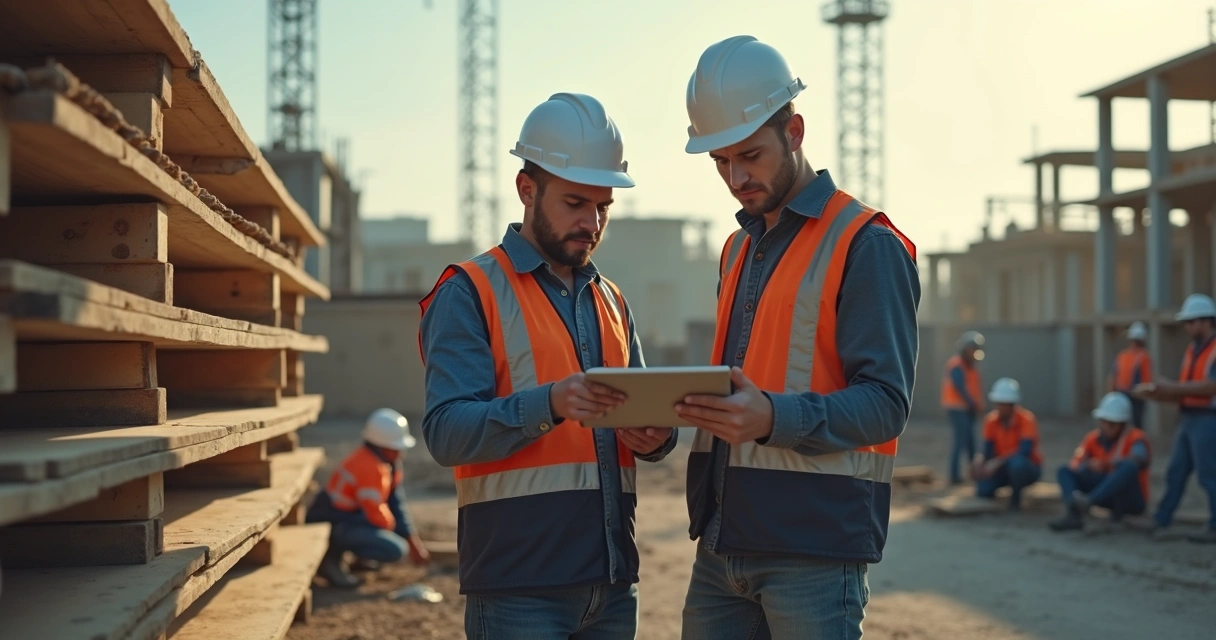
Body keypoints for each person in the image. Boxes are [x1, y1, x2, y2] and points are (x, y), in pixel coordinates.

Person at [673, 35, 920, 639]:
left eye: (749, 155)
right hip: (722, 540)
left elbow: (886, 405)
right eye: (721, 162)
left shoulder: (867, 245)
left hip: (813, 548)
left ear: (795, 130)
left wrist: (772, 418)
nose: (736, 176)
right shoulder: (737, 249)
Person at [418, 92, 677, 638]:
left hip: (611, 586)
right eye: (576, 203)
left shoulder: (612, 299)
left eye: (604, 206)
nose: (592, 221)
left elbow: (650, 427)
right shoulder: (469, 291)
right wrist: (551, 403)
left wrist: (655, 437)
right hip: (517, 592)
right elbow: (446, 434)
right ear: (527, 190)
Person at [307, 408, 431, 588]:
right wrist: (395, 531)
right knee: (394, 548)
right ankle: (330, 559)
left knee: (389, 536)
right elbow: (377, 515)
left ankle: (358, 559)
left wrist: (412, 539)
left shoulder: (387, 463)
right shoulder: (369, 468)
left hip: (349, 519)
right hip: (332, 522)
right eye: (397, 448)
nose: (401, 453)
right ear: (383, 447)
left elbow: (396, 502)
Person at [1134, 293, 1216, 544]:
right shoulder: (1193, 350)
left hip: (1208, 420)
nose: (1186, 327)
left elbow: (1210, 388)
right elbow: (1186, 391)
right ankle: (1162, 519)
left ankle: (1214, 526)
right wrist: (1158, 394)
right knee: (1176, 472)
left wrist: (1170, 387)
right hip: (1189, 418)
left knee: (1209, 475)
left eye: (1190, 322)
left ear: (1205, 321)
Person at [1049, 392, 1151, 531]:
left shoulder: (1135, 437)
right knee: (1064, 470)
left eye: (1113, 424)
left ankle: (1089, 502)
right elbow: (1076, 464)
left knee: (1129, 466)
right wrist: (1088, 466)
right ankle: (1073, 514)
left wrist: (1107, 464)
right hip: (1106, 495)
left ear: (1123, 424)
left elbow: (1139, 458)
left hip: (1130, 499)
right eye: (1105, 422)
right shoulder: (1092, 438)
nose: (1107, 427)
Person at [972, 378, 1042, 510]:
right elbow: (987, 447)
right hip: (1003, 468)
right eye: (998, 403)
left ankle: (1015, 499)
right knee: (983, 491)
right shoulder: (991, 420)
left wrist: (997, 462)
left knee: (1017, 464)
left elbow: (1025, 451)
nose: (999, 407)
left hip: (1026, 468)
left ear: (1012, 404)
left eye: (1003, 403)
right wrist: (979, 459)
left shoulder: (1027, 420)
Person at [942, 331, 985, 484]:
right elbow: (960, 386)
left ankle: (975, 473)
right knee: (960, 442)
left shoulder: (971, 366)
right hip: (958, 409)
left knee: (971, 442)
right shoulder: (957, 365)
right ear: (966, 348)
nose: (974, 353)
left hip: (968, 409)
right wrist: (972, 403)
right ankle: (954, 476)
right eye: (972, 349)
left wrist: (976, 405)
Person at [1107, 321, 1152, 429]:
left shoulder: (1123, 355)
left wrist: (1111, 395)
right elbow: (1147, 381)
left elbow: (1112, 376)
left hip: (1122, 394)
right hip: (1136, 396)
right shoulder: (1144, 356)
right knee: (1136, 426)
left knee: (1120, 424)